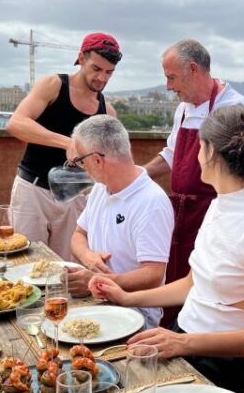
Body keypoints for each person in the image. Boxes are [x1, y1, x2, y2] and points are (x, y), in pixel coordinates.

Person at [92, 104, 244, 393]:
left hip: (222, 368)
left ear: (210, 153)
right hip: (183, 339)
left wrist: (184, 343)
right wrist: (126, 297)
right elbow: (193, 284)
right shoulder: (219, 205)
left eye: (198, 146)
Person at [143, 39, 244, 326]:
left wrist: (239, 218)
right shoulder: (182, 109)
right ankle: (174, 328)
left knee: (207, 283)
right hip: (181, 213)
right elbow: (171, 154)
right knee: (178, 275)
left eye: (171, 77)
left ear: (193, 69)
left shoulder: (236, 108)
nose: (168, 86)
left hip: (215, 211)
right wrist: (136, 176)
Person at [6, 32, 122, 260]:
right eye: (96, 69)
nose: (102, 78)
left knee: (67, 271)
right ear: (81, 58)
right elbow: (16, 123)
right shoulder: (54, 85)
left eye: (109, 72)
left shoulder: (107, 111)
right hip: (34, 190)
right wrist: (67, 142)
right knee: (24, 263)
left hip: (75, 198)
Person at [68, 115, 173, 329]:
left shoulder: (151, 202)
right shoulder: (100, 188)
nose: (82, 167)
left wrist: (96, 282)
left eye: (81, 160)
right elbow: (78, 234)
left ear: (97, 160)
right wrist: (89, 257)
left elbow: (153, 274)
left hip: (134, 314)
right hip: (99, 302)